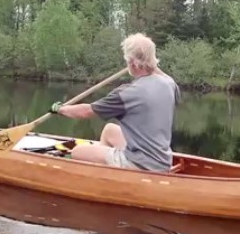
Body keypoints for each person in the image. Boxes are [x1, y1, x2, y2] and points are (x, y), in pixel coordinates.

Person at [50, 33, 180, 172]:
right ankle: (104, 174)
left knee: (78, 152)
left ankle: (108, 177)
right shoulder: (169, 83)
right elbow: (159, 75)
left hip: (140, 164)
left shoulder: (127, 93)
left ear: (132, 63)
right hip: (162, 160)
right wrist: (149, 63)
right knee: (109, 130)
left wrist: (60, 109)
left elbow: (86, 111)